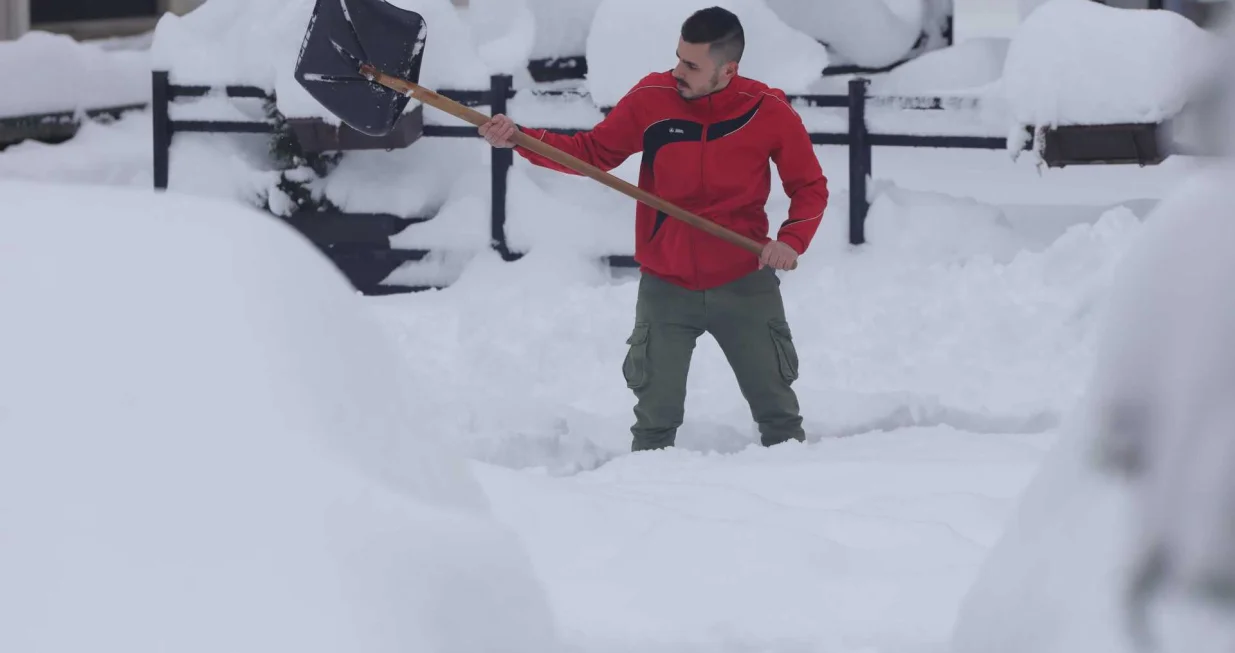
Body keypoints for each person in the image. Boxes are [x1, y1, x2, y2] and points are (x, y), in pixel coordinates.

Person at [478, 6, 829, 451]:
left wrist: (791, 241)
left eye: (692, 65)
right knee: (654, 425)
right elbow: (591, 153)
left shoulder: (767, 111)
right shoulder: (652, 97)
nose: (678, 70)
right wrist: (520, 139)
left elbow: (810, 187)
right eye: (678, 57)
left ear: (728, 69)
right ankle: (645, 510)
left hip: (745, 282)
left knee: (779, 418)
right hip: (667, 286)